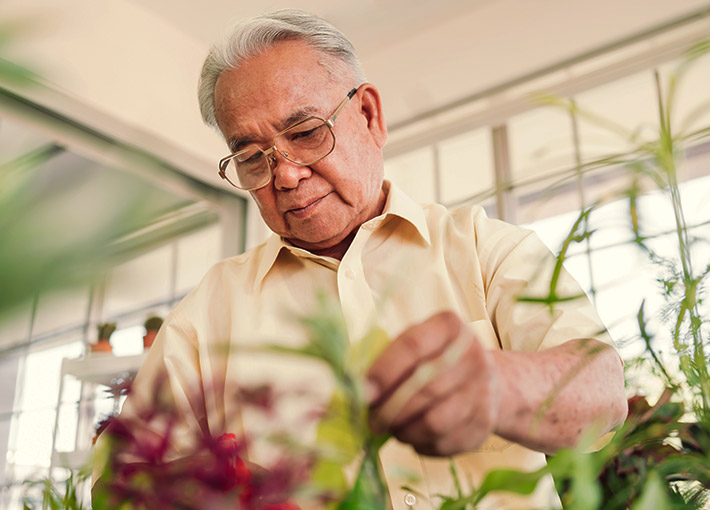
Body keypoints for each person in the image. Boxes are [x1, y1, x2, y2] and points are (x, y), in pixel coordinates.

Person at [95, 9, 626, 509]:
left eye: (305, 133)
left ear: (369, 115)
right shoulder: (205, 315)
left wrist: (496, 386)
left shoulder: (486, 247)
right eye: (252, 158)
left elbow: (601, 392)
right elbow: (114, 485)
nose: (285, 174)